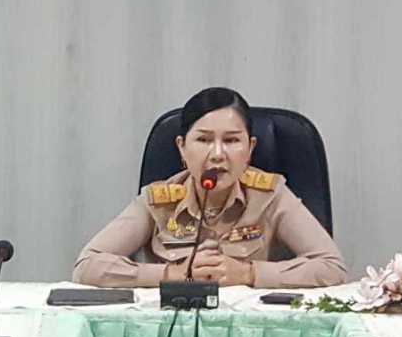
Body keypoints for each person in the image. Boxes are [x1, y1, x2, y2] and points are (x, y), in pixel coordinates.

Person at [74, 86, 347, 288]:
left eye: (231, 141)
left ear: (250, 149)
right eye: (204, 140)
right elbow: (87, 266)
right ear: (182, 148)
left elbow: (332, 267)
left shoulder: (270, 194)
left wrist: (249, 273)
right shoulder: (159, 201)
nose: (217, 154)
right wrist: (172, 274)